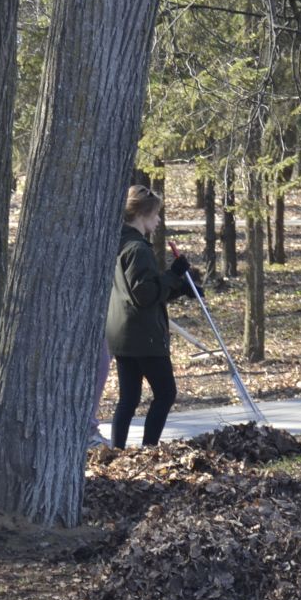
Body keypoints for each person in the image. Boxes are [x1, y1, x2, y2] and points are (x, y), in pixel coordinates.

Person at [106, 184, 196, 448]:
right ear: (143, 214)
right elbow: (144, 295)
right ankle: (149, 448)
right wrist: (174, 274)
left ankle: (118, 450)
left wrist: (180, 287)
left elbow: (145, 293)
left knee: (129, 398)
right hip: (143, 335)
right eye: (156, 215)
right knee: (166, 393)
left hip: (122, 334)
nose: (158, 221)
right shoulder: (137, 249)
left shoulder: (119, 243)